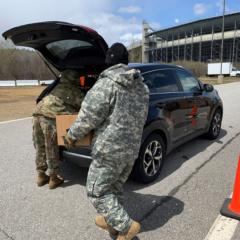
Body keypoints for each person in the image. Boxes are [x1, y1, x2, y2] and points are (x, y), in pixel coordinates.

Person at [64, 43, 149, 240]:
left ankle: (126, 227)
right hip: (131, 150)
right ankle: (113, 222)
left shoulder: (106, 84)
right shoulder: (142, 87)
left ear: (108, 62)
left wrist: (71, 136)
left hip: (109, 151)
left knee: (97, 192)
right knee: (115, 188)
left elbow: (87, 118)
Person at [33, 70, 85, 189]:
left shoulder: (54, 87)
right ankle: (53, 178)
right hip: (48, 118)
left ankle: (41, 175)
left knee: (40, 146)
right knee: (51, 147)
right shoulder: (74, 90)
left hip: (37, 114)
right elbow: (85, 106)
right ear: (74, 79)